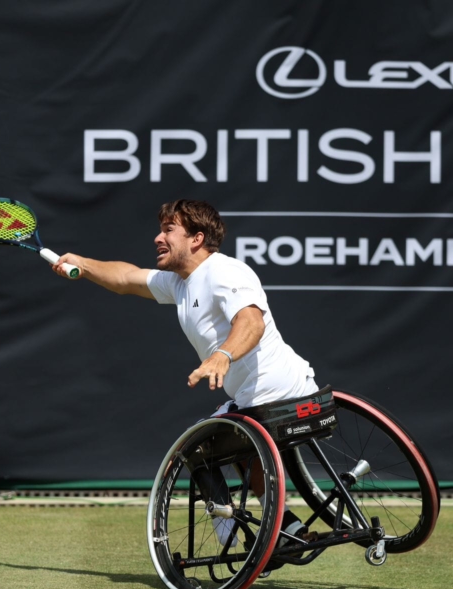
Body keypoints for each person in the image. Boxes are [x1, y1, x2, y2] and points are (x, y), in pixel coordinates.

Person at [51, 199, 316, 557]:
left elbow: (251, 321)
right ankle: (286, 528)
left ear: (197, 238)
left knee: (195, 447)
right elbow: (126, 278)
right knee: (228, 438)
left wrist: (222, 355)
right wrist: (82, 264)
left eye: (168, 230)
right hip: (258, 404)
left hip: (274, 398)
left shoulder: (224, 271)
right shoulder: (180, 283)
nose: (158, 237)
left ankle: (231, 538)